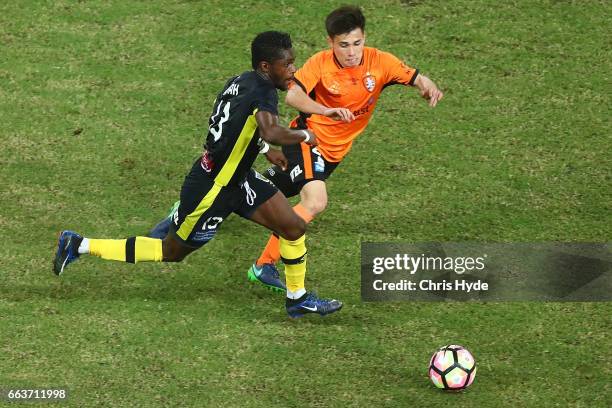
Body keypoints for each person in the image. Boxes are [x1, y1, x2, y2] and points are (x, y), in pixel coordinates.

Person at [53, 31, 348, 318]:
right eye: (287, 65)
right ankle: (79, 244)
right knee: (172, 251)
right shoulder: (265, 92)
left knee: (293, 227)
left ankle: (297, 299)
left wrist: (264, 150)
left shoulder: (240, 82)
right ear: (266, 67)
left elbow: (235, 127)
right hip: (213, 188)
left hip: (239, 178)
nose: (293, 71)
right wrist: (305, 136)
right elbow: (270, 128)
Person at [149, 5, 444, 292]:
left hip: (333, 154)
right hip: (307, 141)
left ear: (364, 38)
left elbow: (415, 76)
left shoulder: (381, 62)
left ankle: (186, 210)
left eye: (357, 43)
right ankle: (264, 266)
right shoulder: (320, 64)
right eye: (343, 45)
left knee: (254, 189)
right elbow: (292, 96)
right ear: (331, 43)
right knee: (315, 201)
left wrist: (427, 86)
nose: (351, 51)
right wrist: (325, 111)